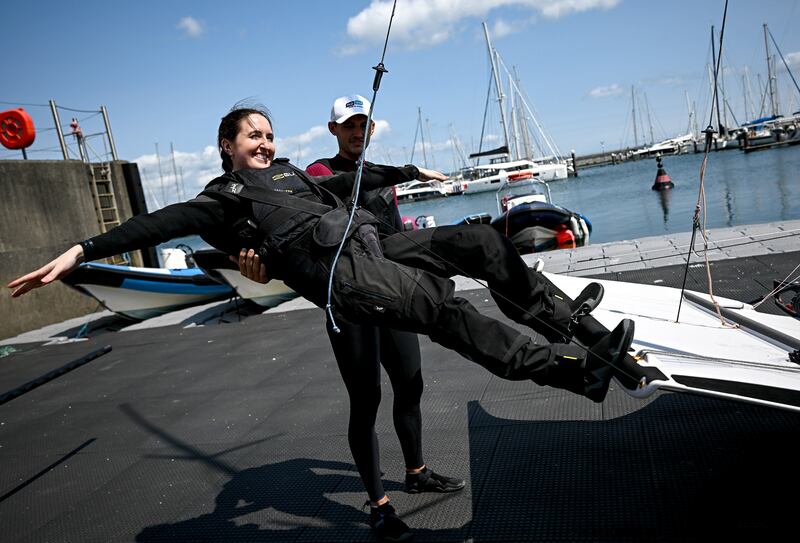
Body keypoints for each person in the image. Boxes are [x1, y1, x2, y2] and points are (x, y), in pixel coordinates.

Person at [9, 104, 636, 542]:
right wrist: (83, 251)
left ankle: (575, 332)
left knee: (482, 244)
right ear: (227, 146)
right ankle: (566, 375)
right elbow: (157, 227)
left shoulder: (292, 174)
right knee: (421, 333)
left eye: (269, 134)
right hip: (343, 287)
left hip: (370, 251)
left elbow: (354, 180)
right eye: (251, 135)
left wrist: (415, 172)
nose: (264, 142)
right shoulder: (219, 201)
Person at [235, 94, 463, 541]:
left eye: (364, 125)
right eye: (349, 125)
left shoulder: (381, 179)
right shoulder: (319, 174)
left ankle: (416, 470)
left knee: (411, 383)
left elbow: (395, 235)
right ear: (333, 130)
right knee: (367, 402)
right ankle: (379, 505)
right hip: (352, 303)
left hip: (394, 294)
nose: (357, 131)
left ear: (372, 130)